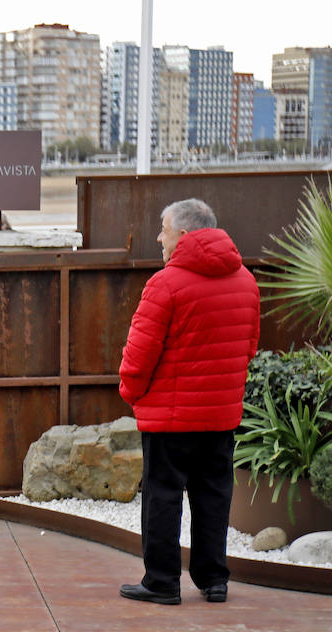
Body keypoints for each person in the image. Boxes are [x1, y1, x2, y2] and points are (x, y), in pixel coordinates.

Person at [118, 198, 260, 605]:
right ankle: (214, 580)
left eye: (163, 229)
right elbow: (248, 347)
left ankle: (162, 582)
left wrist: (131, 393)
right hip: (220, 416)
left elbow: (139, 353)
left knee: (162, 495)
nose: (159, 237)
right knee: (213, 496)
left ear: (183, 234)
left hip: (171, 418)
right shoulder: (246, 281)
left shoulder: (166, 284)